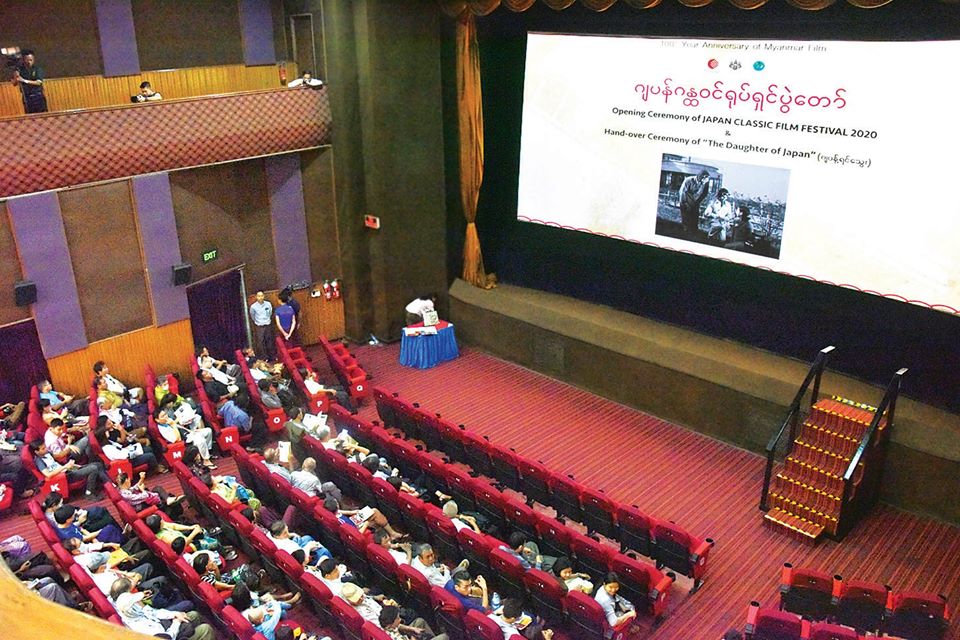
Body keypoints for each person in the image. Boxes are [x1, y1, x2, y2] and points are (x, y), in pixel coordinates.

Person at [112, 577, 214, 640]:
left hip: (162, 624)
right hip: (169, 633)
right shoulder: (141, 629)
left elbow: (152, 612)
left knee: (194, 615)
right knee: (206, 629)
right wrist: (177, 622)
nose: (137, 602)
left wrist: (174, 614)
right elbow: (168, 637)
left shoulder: (126, 608)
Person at [30, 439, 107, 496]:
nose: (46, 449)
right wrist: (65, 467)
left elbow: (59, 457)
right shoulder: (39, 461)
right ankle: (89, 493)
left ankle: (106, 484)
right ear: (37, 452)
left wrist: (69, 448)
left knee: (98, 464)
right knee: (94, 468)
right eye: (43, 449)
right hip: (64, 476)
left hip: (68, 469)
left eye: (45, 447)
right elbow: (48, 474)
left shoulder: (47, 453)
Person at [116, 470, 184, 517]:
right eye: (129, 479)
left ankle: (168, 499)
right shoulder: (126, 495)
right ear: (126, 481)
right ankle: (168, 501)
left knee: (157, 488)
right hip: (142, 506)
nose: (130, 481)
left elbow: (135, 488)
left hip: (141, 502)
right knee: (161, 494)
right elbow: (144, 496)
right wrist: (142, 489)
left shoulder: (123, 491)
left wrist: (141, 479)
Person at [489, 598, 554, 640]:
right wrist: (548, 639)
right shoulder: (514, 635)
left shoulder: (490, 617)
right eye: (518, 618)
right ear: (512, 618)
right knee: (532, 619)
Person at [380, 604, 448, 640]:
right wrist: (413, 636)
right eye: (397, 618)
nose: (400, 619)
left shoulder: (386, 626)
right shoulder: (394, 637)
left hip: (406, 637)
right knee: (444, 637)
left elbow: (398, 627)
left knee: (419, 621)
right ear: (390, 624)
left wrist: (412, 629)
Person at [678, 169, 711, 235]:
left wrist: (699, 202)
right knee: (686, 216)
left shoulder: (705, 183)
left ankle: (694, 231)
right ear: (702, 177)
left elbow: (705, 193)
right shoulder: (688, 180)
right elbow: (682, 192)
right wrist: (684, 203)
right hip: (686, 200)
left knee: (695, 216)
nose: (706, 181)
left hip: (695, 201)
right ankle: (686, 231)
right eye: (706, 179)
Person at [249, 291, 275, 359]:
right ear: (256, 297)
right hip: (259, 326)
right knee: (260, 342)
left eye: (261, 296)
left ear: (264, 296)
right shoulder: (253, 307)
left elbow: (270, 313)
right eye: (259, 296)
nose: (260, 297)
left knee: (269, 340)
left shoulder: (268, 304)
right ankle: (264, 357)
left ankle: (272, 356)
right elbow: (252, 316)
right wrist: (257, 321)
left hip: (268, 324)